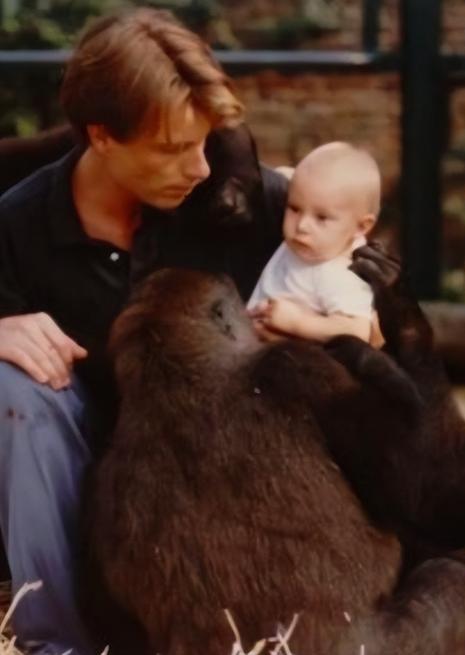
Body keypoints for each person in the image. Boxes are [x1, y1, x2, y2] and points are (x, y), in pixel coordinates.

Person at [0, 8, 287, 654]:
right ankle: (57, 643)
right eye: (172, 149)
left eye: (204, 142)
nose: (200, 168)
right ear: (101, 136)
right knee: (11, 386)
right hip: (83, 497)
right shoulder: (14, 225)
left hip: (222, 508)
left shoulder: (242, 201)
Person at [248, 142, 380, 343]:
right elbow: (291, 178)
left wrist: (298, 322)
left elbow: (357, 331)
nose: (301, 225)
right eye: (294, 208)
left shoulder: (342, 275)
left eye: (321, 218)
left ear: (361, 227)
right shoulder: (318, 240)